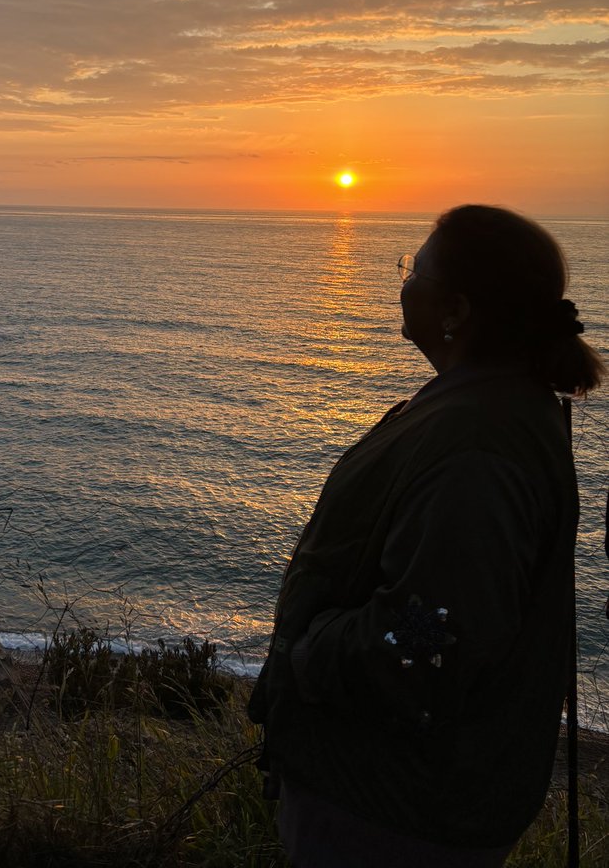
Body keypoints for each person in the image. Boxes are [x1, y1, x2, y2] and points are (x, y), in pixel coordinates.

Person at [248, 204, 605, 868]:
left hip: (394, 813)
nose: (401, 282)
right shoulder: (481, 406)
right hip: (401, 796)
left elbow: (428, 642)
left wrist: (307, 651)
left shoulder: (479, 446)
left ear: (456, 309)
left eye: (412, 269)